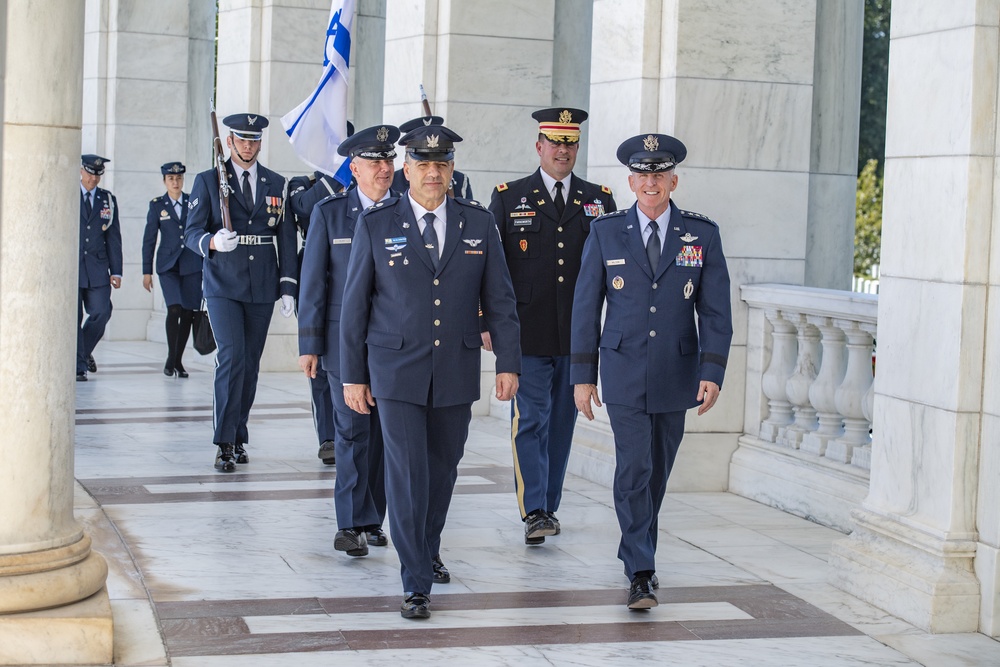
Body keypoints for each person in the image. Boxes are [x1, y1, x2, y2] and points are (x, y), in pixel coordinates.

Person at [340, 124, 521, 619]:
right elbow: (354, 307)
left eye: (441, 164)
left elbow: (500, 300)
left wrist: (508, 362)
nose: (433, 172)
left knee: (442, 469)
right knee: (407, 472)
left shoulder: (479, 223)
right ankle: (415, 578)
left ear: (452, 170)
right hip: (394, 370)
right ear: (406, 170)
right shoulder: (377, 223)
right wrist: (352, 376)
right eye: (423, 164)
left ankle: (427, 544)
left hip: (456, 369)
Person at [571, 133, 733, 610]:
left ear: (673, 181)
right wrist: (584, 375)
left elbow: (716, 311)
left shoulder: (701, 234)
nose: (650, 183)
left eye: (659, 175)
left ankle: (639, 549)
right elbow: (585, 308)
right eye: (642, 176)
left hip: (675, 372)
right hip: (622, 370)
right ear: (630, 182)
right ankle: (640, 569)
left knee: (657, 473)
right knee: (634, 468)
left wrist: (713, 369)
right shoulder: (605, 232)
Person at [489, 107, 616, 545]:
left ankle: (549, 506)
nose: (563, 151)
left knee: (562, 424)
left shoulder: (599, 199)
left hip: (578, 337)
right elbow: (494, 269)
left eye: (570, 143)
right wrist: (487, 321)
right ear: (539, 145)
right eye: (555, 142)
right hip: (526, 332)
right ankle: (535, 510)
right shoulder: (508, 197)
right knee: (530, 419)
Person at [298, 124, 401, 558]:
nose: (384, 168)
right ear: (353, 168)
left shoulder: (405, 211)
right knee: (351, 430)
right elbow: (315, 281)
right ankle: (351, 522)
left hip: (394, 341)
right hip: (343, 342)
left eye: (388, 160)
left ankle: (372, 517)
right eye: (374, 162)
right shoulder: (329, 212)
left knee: (382, 432)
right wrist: (310, 343)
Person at [184, 113, 297, 472]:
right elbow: (190, 234)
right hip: (222, 284)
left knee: (249, 365)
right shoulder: (208, 181)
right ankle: (223, 440)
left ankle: (239, 432)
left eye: (253, 141)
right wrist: (212, 241)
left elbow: (285, 237)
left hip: (262, 283)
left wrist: (287, 285)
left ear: (260, 143)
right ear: (229, 142)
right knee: (231, 359)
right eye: (241, 140)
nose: (247, 147)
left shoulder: (277, 183)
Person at [287, 122, 355, 465]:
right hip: (316, 282)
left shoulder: (365, 180)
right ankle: (327, 436)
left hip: (352, 284)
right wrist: (336, 174)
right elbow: (304, 207)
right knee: (320, 366)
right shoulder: (305, 184)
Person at [142, 161, 202, 378]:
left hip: (192, 264)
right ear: (165, 181)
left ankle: (178, 361)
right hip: (168, 266)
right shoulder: (157, 205)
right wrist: (146, 271)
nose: (175, 182)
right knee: (174, 308)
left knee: (188, 312)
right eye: (171, 179)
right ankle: (171, 357)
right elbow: (149, 239)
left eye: (178, 178)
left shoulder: (192, 202)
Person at [77, 154, 123, 381]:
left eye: (97, 175)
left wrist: (116, 271)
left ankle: (81, 353)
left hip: (97, 268)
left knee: (102, 312)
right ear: (81, 171)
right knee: (73, 318)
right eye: (89, 173)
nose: (93, 179)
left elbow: (113, 238)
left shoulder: (108, 200)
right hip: (72, 269)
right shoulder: (68, 193)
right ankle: (78, 367)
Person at [390, 115, 473, 198]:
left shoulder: (460, 180)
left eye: (441, 164)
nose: (434, 174)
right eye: (423, 165)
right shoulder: (392, 181)